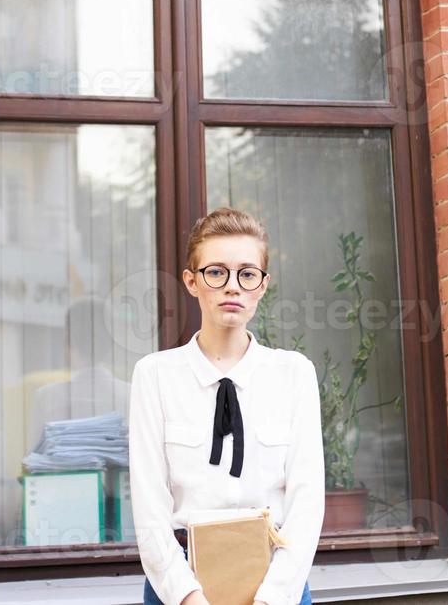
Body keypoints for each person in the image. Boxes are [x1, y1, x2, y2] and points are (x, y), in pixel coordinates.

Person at [129, 207, 323, 605]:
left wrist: (271, 597)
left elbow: (307, 502)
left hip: (276, 580)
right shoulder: (155, 376)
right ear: (191, 281)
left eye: (247, 274)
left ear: (263, 285)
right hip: (180, 582)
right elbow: (149, 505)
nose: (232, 287)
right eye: (216, 272)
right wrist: (187, 596)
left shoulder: (294, 374)